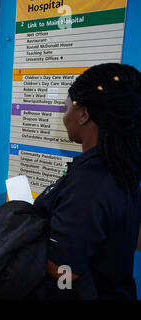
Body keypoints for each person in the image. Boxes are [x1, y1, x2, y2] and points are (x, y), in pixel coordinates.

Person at [33, 63, 141, 299]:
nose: (64, 116)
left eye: (67, 107)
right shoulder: (121, 169)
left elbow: (64, 271)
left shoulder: (90, 183)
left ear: (83, 114)